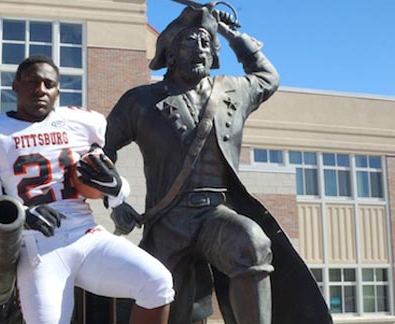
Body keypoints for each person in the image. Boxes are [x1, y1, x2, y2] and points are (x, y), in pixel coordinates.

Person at [104, 5, 332, 324]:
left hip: (216, 214)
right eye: (190, 41)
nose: (200, 48)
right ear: (170, 53)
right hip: (169, 222)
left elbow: (268, 77)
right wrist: (115, 201)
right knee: (161, 299)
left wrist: (233, 36)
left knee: (251, 242)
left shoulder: (233, 90)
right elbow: (102, 149)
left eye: (206, 42)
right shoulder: (140, 101)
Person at [0, 55, 174, 324]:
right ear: (15, 86)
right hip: (38, 247)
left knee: (157, 282)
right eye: (32, 82)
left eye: (49, 84)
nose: (40, 89)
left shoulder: (80, 125)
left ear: (58, 91)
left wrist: (117, 188)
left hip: (86, 235)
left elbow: (106, 181)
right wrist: (22, 215)